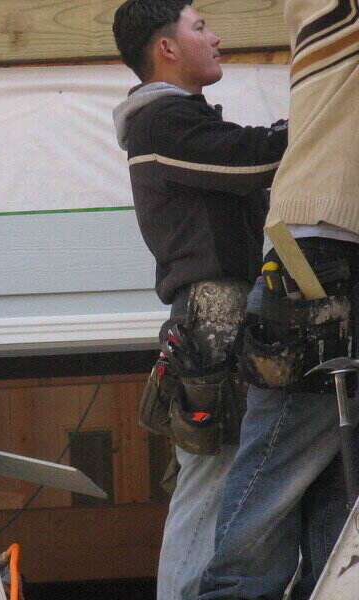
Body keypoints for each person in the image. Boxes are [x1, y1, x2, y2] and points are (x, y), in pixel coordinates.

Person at [111, 2, 288, 598]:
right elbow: (255, 156)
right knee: (212, 479)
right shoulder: (160, 121)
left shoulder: (180, 119)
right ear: (166, 47)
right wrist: (326, 121)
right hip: (215, 318)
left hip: (223, 314)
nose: (216, 38)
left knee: (224, 476)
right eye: (200, 27)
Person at [199, 0, 359, 597]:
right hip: (318, 248)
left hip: (331, 244)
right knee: (280, 455)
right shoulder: (332, 16)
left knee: (335, 469)